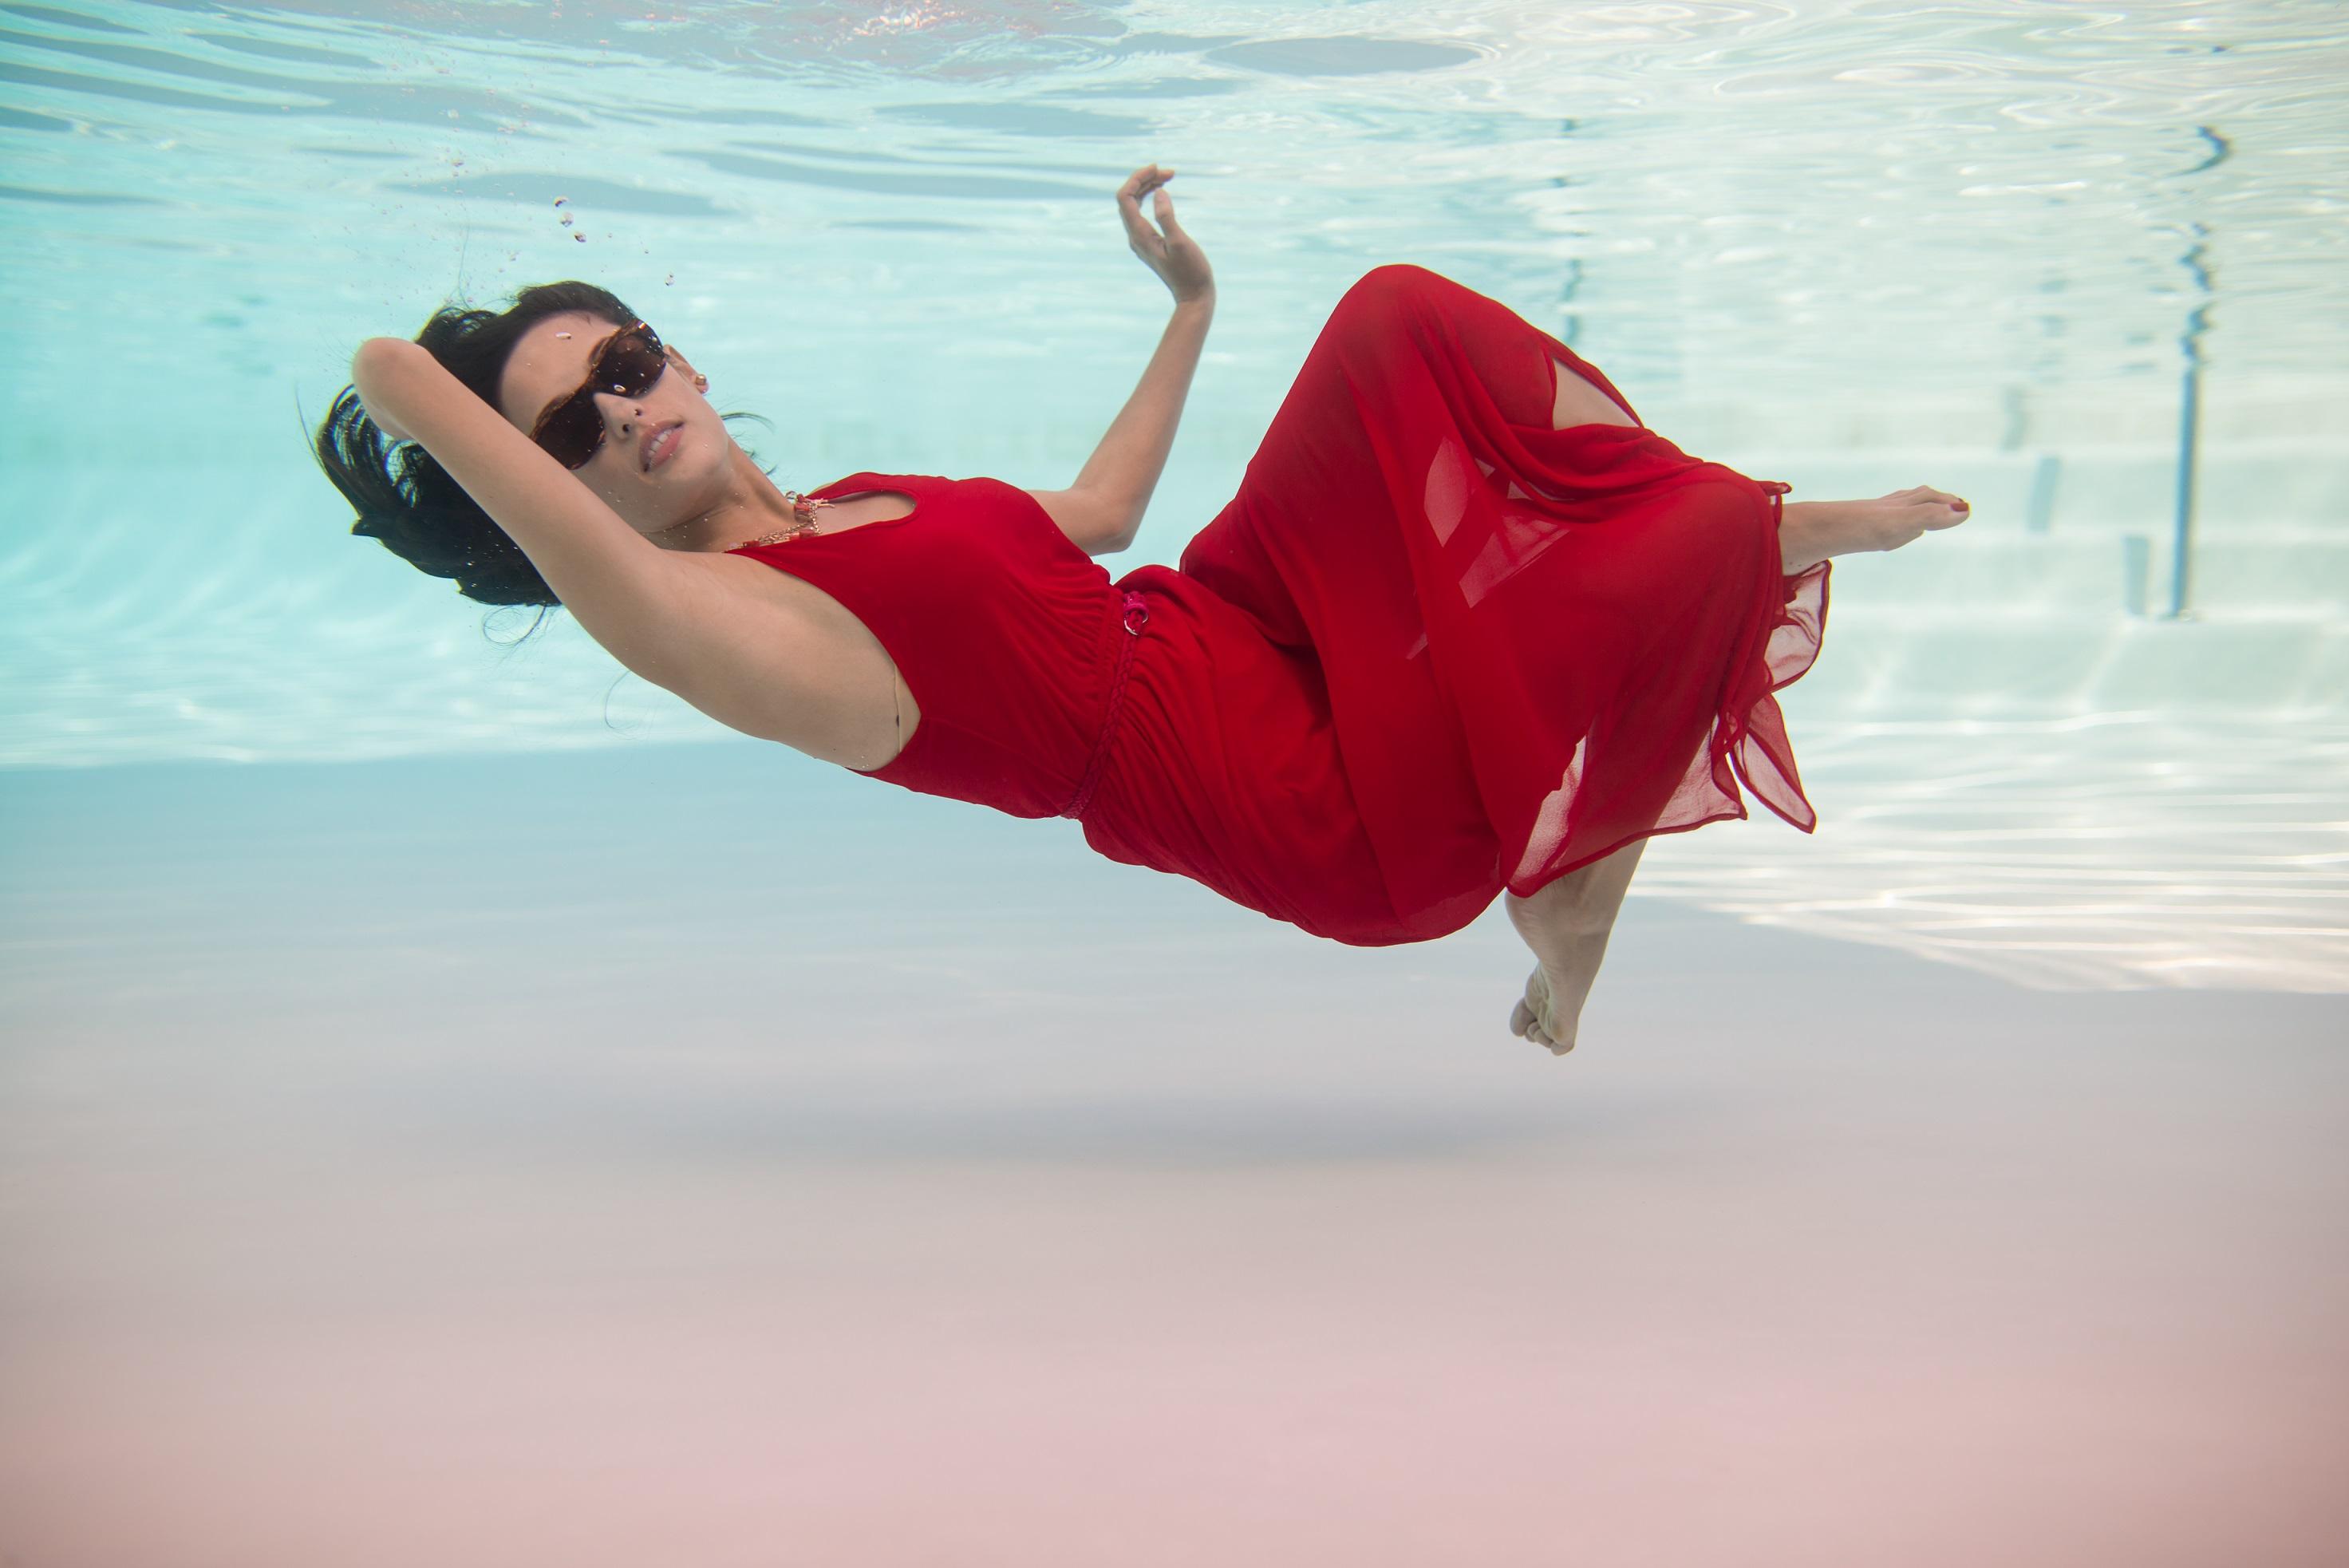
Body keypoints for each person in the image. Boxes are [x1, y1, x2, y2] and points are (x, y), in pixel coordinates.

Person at [313, 164, 1969, 1058]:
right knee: (1642, 578)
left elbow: (1097, 519)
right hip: (1272, 793)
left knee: (1393, 319)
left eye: (622, 364)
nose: (615, 412)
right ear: (558, 499)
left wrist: (1188, 306)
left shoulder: (859, 498)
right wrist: (445, 392)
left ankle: (1595, 823)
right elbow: (392, 374)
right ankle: (1726, 572)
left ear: (677, 352)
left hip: (1220, 611)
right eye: (562, 430)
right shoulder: (722, 625)